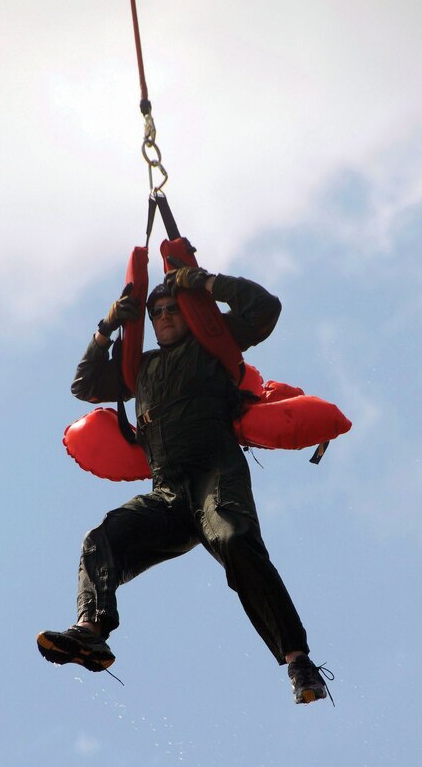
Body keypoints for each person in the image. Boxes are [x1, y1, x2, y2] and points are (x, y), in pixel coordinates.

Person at [37, 262, 332, 704]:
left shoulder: (212, 346)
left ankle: (299, 663)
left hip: (215, 473)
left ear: (188, 312)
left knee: (235, 541)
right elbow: (85, 383)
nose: (164, 316)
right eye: (156, 312)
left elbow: (264, 308)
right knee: (102, 539)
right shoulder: (142, 368)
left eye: (173, 308)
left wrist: (205, 283)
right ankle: (91, 632)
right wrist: (108, 327)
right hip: (169, 493)